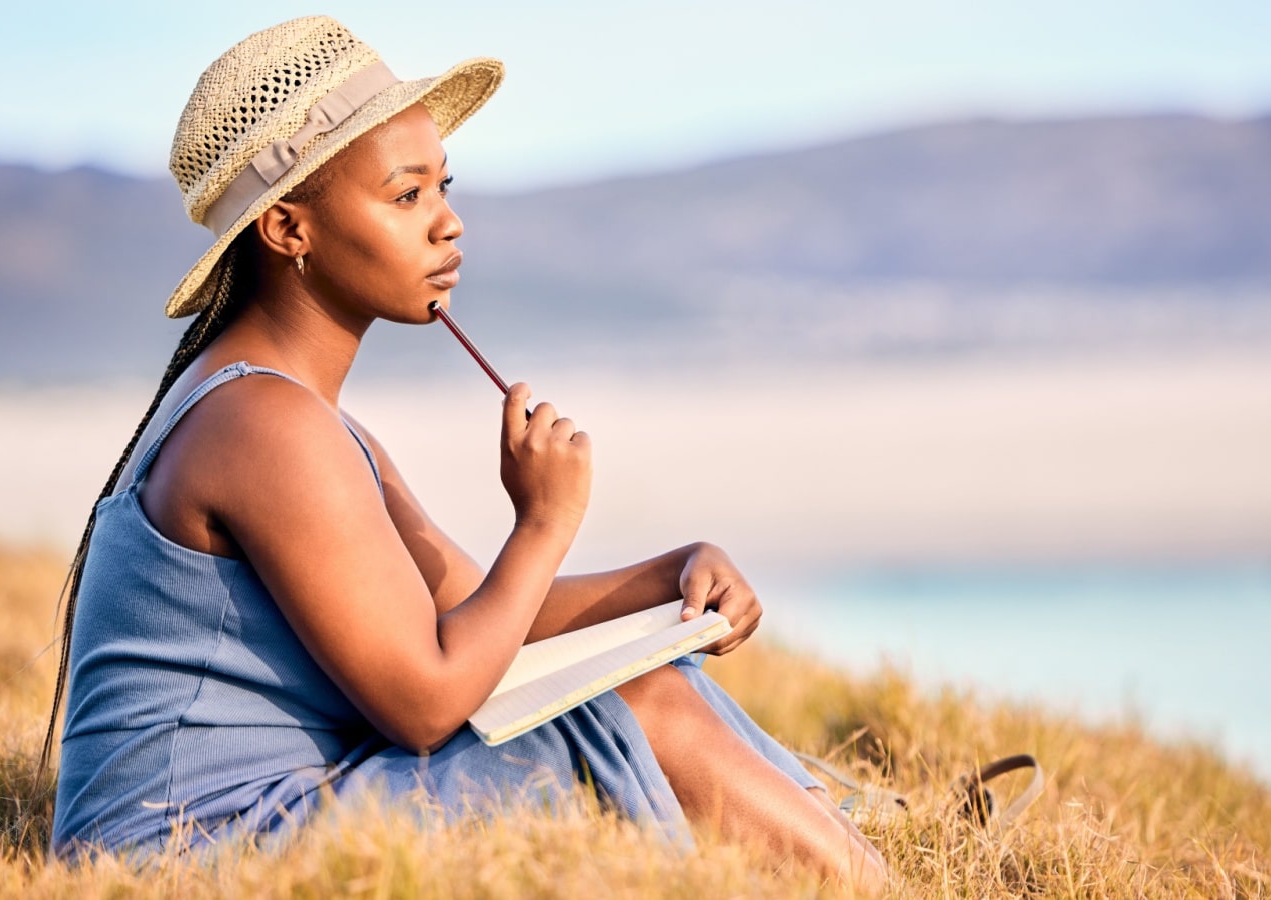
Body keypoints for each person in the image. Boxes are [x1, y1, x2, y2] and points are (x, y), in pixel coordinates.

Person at [44, 16, 887, 889]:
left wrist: (671, 577)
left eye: (444, 187)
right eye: (406, 197)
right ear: (289, 230)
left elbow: (473, 615)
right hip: (195, 858)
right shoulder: (264, 426)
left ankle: (845, 839)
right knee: (637, 706)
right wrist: (546, 522)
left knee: (648, 676)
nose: (449, 225)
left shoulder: (298, 419)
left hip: (263, 817)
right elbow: (425, 701)